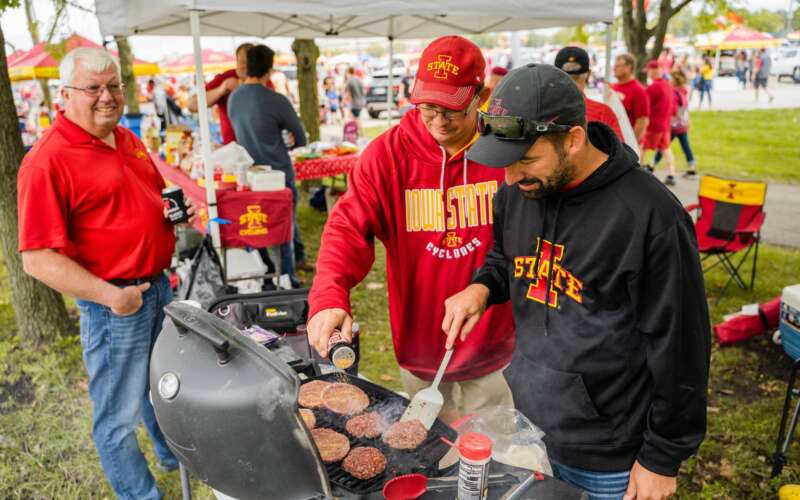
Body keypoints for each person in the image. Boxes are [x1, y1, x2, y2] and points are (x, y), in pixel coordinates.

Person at [444, 64, 710, 500]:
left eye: (526, 159)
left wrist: (662, 457)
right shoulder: (520, 189)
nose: (510, 178)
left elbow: (682, 346)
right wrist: (483, 287)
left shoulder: (650, 217)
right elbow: (504, 256)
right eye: (505, 163)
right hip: (532, 426)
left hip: (613, 452)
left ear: (573, 138)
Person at [17, 47, 196, 500]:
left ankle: (172, 457)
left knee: (160, 387)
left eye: (113, 86)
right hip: (115, 303)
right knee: (116, 416)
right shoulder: (46, 161)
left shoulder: (125, 137)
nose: (107, 97)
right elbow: (36, 259)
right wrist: (111, 297)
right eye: (93, 88)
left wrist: (173, 213)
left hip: (156, 288)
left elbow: (147, 198)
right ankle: (141, 494)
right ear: (64, 95)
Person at [307, 36, 516, 424]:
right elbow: (346, 227)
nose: (438, 120)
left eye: (451, 109)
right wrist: (329, 294)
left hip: (493, 345)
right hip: (420, 344)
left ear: (480, 96)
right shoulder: (386, 155)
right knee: (430, 451)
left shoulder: (505, 152)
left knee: (498, 456)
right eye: (428, 107)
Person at [227, 45, 309, 286]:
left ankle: (267, 273)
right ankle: (287, 281)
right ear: (270, 69)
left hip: (250, 178)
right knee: (284, 232)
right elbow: (301, 137)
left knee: (258, 229)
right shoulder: (276, 100)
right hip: (279, 176)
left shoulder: (234, 98)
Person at [187, 42, 261, 144]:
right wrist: (221, 89)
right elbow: (192, 105)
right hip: (233, 147)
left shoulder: (264, 79)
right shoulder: (226, 78)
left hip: (259, 146)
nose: (245, 67)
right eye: (242, 62)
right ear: (237, 61)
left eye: (249, 63)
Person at [555, 46, 624, 142]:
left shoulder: (542, 113)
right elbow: (620, 154)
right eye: (566, 79)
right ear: (589, 74)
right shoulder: (604, 112)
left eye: (576, 78)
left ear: (554, 77)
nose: (572, 85)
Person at [654, 69, 697, 178]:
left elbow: (672, 109)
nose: (668, 80)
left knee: (663, 146)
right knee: (685, 145)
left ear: (675, 80)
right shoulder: (683, 91)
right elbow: (685, 108)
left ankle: (652, 165)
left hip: (673, 125)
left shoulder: (673, 92)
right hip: (683, 124)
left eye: (670, 78)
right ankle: (691, 167)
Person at [641, 60, 676, 185]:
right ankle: (671, 174)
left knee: (642, 147)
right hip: (666, 124)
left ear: (653, 71)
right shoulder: (668, 85)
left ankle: (636, 172)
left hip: (654, 124)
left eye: (649, 71)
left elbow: (644, 106)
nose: (648, 73)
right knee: (666, 149)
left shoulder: (653, 87)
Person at [611, 53, 649, 142]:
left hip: (627, 142)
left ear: (629, 67)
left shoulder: (638, 90)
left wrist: (632, 143)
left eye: (618, 65)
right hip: (612, 141)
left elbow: (642, 121)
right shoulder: (613, 87)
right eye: (615, 65)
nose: (614, 68)